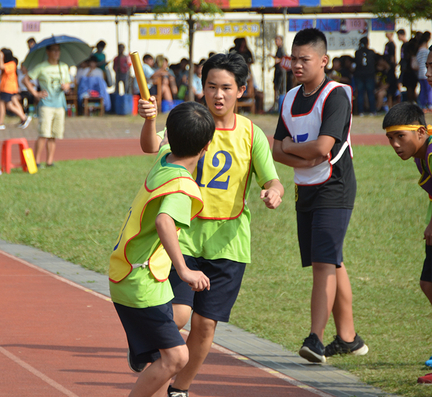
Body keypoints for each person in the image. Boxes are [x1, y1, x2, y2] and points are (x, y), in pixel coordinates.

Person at [141, 52, 284, 397]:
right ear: (201, 88)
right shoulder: (190, 121)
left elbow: (272, 181)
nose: (218, 95)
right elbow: (151, 147)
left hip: (229, 244)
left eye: (226, 88)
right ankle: (152, 367)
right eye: (211, 87)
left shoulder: (251, 134)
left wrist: (273, 193)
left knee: (205, 326)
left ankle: (180, 389)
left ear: (241, 90)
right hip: (185, 239)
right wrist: (149, 120)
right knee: (177, 316)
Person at [272, 27, 367, 364]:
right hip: (305, 187)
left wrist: (294, 149)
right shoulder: (289, 98)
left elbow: (324, 147)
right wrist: (301, 153)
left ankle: (315, 339)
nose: (297, 65)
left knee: (323, 263)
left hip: (335, 186)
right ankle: (349, 338)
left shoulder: (337, 94)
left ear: (323, 60)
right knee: (330, 259)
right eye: (293, 59)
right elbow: (276, 150)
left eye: (305, 59)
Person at [111, 101, 213, 397]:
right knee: (177, 357)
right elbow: (164, 221)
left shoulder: (166, 159)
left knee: (164, 351)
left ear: (167, 135)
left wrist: (149, 121)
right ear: (206, 147)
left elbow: (148, 145)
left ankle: (143, 347)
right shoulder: (182, 185)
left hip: (130, 271)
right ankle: (144, 347)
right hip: (139, 279)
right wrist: (184, 270)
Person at [382, 100, 432, 384]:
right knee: (428, 284)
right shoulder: (420, 153)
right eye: (390, 138)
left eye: (401, 136)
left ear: (421, 132)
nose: (395, 144)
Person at [24, 44, 71, 168]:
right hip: (46, 104)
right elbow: (26, 79)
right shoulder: (41, 67)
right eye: (54, 50)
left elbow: (68, 83)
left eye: (58, 50)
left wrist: (65, 87)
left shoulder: (63, 67)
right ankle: (37, 161)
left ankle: (49, 161)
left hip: (59, 104)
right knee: (44, 133)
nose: (57, 53)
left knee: (54, 135)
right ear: (48, 52)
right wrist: (35, 93)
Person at [0, 48, 32, 130]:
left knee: (2, 105)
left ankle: (1, 122)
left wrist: (1, 57)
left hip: (8, 88)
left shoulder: (11, 64)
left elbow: (1, 67)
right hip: (5, 88)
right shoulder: (7, 65)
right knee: (5, 104)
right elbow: (1, 76)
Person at [354, 37, 377, 116]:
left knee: (360, 93)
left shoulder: (357, 52)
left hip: (359, 75)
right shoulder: (371, 52)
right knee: (370, 93)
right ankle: (372, 110)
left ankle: (361, 111)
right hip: (369, 75)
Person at [416, 32, 432, 110]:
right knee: (429, 90)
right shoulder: (426, 52)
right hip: (425, 72)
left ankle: (422, 105)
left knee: (422, 90)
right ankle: (430, 105)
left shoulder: (418, 52)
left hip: (420, 73)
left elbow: (417, 62)